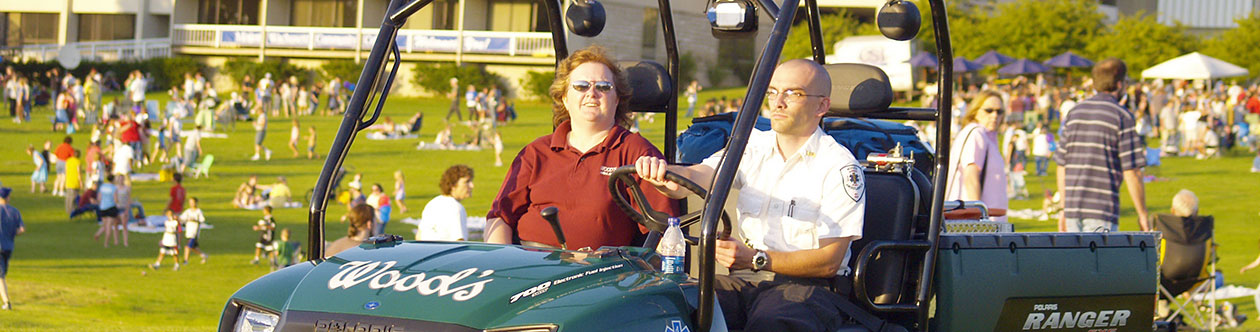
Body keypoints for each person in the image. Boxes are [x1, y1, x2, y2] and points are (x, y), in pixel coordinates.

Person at [634, 59, 865, 331]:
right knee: (672, 304)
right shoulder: (753, 145)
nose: (777, 102)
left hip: (809, 288)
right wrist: (663, 174)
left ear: (822, 106)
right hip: (746, 279)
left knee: (770, 322)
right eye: (772, 92)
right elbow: (702, 175)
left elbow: (829, 261)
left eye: (793, 93)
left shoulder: (838, 165)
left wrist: (757, 258)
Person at [484, 46, 680, 249]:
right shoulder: (535, 153)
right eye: (581, 86)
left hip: (598, 272)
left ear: (617, 99)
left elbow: (665, 231)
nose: (592, 93)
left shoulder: (636, 152)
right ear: (565, 98)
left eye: (603, 87)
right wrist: (498, 264)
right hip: (528, 266)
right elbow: (500, 217)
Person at [1056, 58, 1150, 233]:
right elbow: (1132, 171)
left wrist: (1063, 208)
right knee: (1098, 260)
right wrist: (1142, 214)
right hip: (1101, 208)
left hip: (1072, 208)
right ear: (1120, 84)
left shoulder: (1075, 112)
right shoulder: (1121, 116)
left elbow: (1062, 165)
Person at [944, 90, 1009, 221]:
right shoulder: (976, 133)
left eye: (999, 111)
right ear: (975, 111)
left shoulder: (987, 137)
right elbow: (970, 174)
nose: (995, 115)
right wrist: (978, 217)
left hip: (988, 220)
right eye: (989, 110)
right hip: (975, 222)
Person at [419, 165, 473, 241]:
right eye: (466, 182)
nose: (472, 186)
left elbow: (419, 236)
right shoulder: (456, 208)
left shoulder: (432, 204)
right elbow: (459, 243)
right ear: (453, 185)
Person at [0, 187, 25, 310]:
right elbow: (21, 230)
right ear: (7, 197)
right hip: (8, 247)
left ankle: (6, 302)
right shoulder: (15, 211)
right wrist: (11, 233)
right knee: (2, 273)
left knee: (0, 276)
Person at [94, 174, 120, 247]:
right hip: (111, 207)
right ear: (113, 180)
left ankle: (98, 234)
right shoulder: (114, 188)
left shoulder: (102, 186)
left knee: (105, 225)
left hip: (103, 208)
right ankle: (106, 243)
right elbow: (115, 199)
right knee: (109, 226)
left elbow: (99, 198)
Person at [181, 197, 208, 264]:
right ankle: (204, 255)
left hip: (194, 232)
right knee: (193, 248)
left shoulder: (198, 211)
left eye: (193, 202)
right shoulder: (188, 211)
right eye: (190, 202)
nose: (191, 204)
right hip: (188, 231)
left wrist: (194, 220)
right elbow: (182, 218)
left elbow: (202, 220)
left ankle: (185, 261)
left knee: (187, 247)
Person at [64, 150, 83, 214]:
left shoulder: (68, 161)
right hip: (75, 182)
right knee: (74, 197)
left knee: (68, 197)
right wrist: (81, 182)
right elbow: (79, 173)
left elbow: (66, 170)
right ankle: (72, 211)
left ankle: (68, 209)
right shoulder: (78, 162)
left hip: (68, 181)